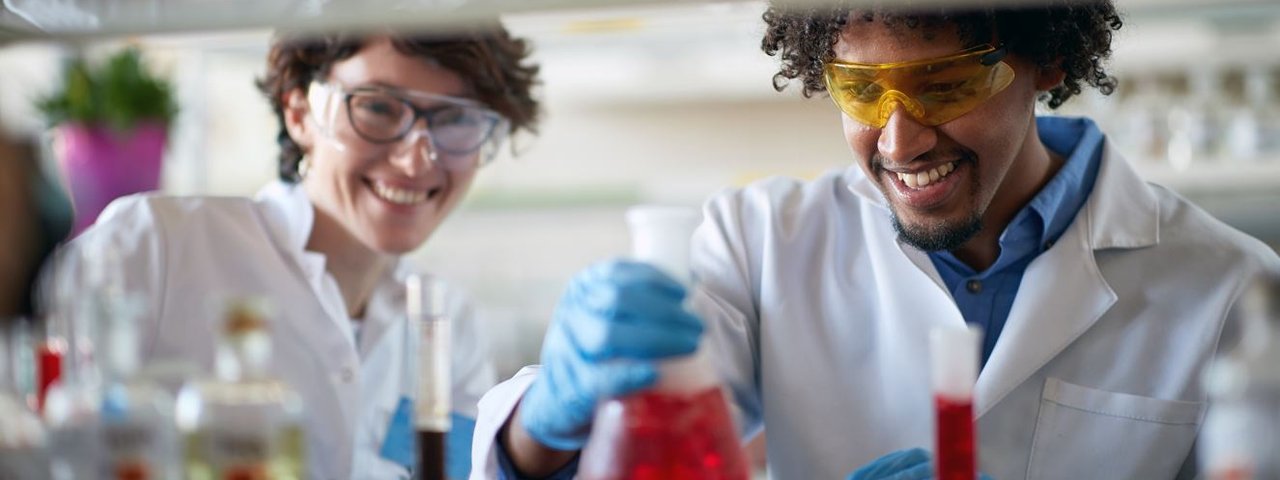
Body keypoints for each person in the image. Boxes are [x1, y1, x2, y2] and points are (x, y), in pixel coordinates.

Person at [470, 2, 1280, 479]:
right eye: (860, 91)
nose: (898, 142)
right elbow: (636, 456)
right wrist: (543, 421)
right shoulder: (758, 244)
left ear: (1047, 59)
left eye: (945, 85)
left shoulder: (1230, 289)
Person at [53, 24, 540, 480]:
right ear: (300, 112)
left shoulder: (448, 323)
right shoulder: (155, 244)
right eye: (378, 108)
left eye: (456, 119)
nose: (416, 159)